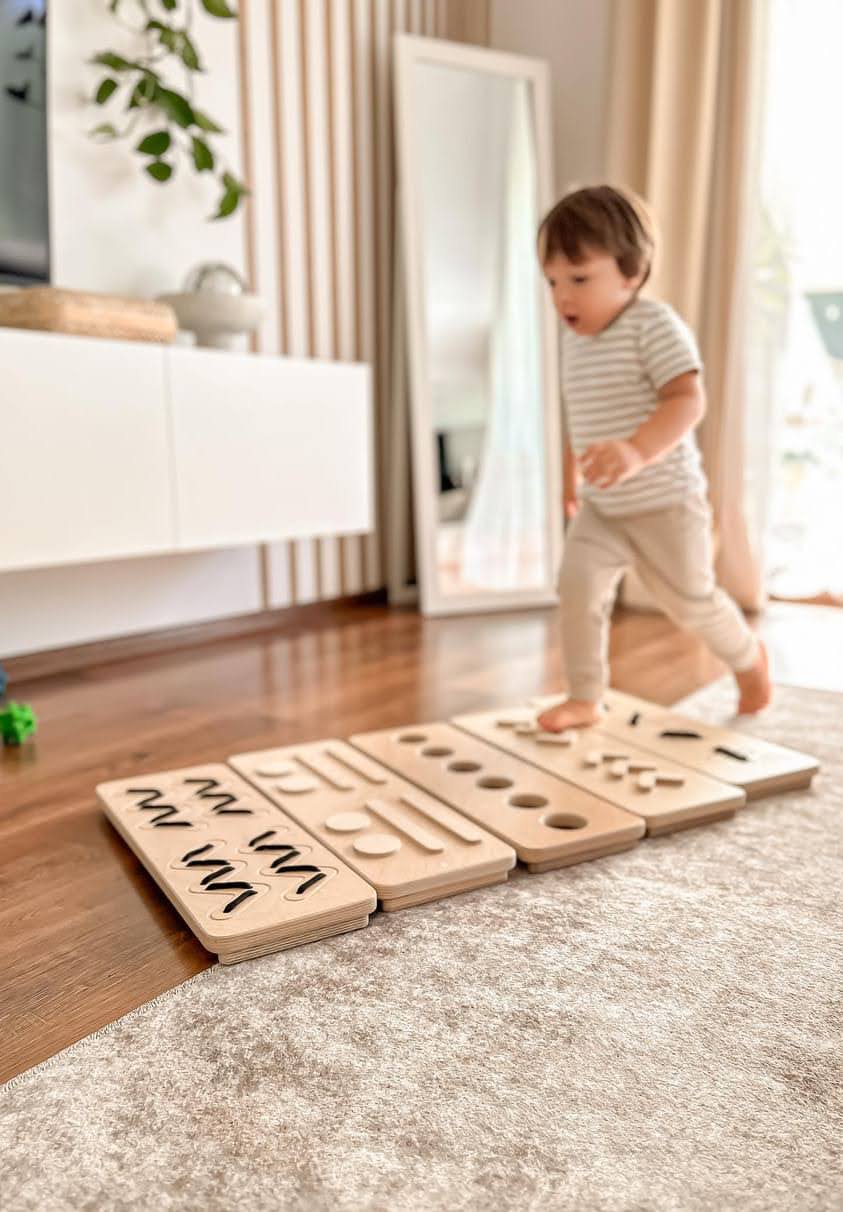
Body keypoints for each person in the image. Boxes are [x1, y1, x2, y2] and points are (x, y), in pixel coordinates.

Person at [535, 184, 771, 732]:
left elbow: (688, 399)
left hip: (666, 504)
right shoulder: (574, 342)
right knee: (577, 588)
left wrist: (636, 450)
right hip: (603, 507)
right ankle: (585, 696)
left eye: (579, 279)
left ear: (632, 273)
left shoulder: (653, 325)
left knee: (691, 602)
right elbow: (583, 416)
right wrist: (570, 475)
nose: (563, 297)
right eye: (552, 282)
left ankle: (748, 657)